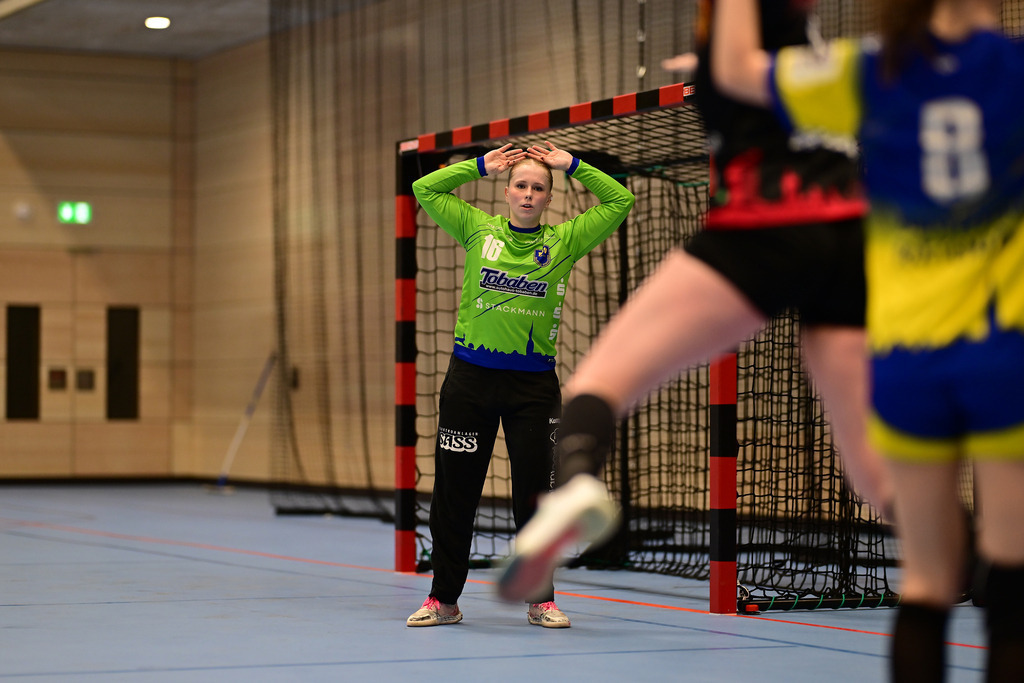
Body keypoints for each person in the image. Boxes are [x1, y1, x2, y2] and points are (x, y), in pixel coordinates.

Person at [497, 0, 894, 605]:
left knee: (597, 384)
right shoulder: (824, 60)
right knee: (871, 469)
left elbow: (737, 68)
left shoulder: (742, 56)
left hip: (764, 224)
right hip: (851, 241)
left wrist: (713, 69)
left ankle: (574, 486)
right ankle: (981, 551)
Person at [707, 1, 1024, 680]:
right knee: (1010, 569)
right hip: (1003, 352)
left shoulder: (868, 73)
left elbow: (734, 70)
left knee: (927, 582)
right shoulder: (1016, 71)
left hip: (907, 360)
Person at [406, 141, 635, 628]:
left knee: (536, 497)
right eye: (521, 185)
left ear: (549, 198)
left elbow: (620, 201)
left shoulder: (566, 240)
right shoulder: (476, 228)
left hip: (533, 389)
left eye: (538, 188)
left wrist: (571, 165)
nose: (529, 194)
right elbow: (423, 187)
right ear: (507, 191)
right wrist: (480, 165)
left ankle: (540, 599)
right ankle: (443, 600)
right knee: (455, 495)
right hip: (469, 382)